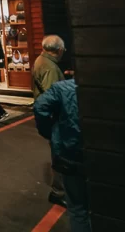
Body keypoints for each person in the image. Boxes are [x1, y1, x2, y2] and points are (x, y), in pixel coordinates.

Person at [34, 78, 89, 232]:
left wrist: (50, 132)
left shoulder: (62, 88)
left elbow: (40, 106)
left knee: (78, 208)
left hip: (70, 154)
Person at [33, 34, 67, 206]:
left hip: (52, 119)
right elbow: (52, 95)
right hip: (55, 119)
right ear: (59, 50)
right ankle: (59, 191)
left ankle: (60, 190)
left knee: (59, 152)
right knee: (59, 153)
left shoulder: (42, 61)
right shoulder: (50, 68)